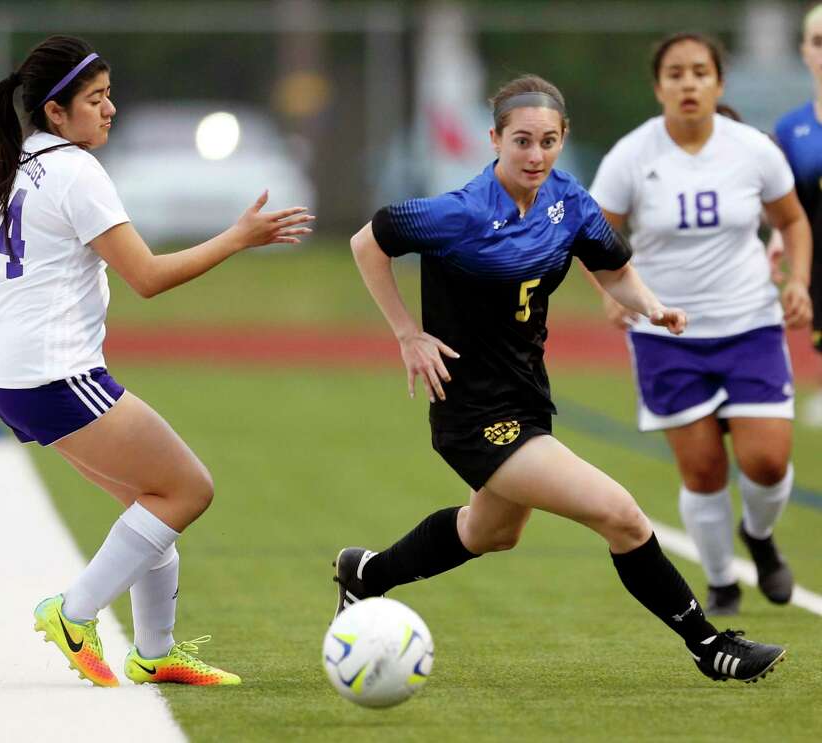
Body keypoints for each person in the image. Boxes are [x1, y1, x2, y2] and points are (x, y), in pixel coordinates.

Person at [333, 73, 786, 684]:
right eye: (521, 141)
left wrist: (652, 306)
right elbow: (369, 242)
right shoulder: (458, 213)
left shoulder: (568, 201)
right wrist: (406, 333)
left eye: (548, 141)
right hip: (473, 413)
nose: (535, 154)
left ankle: (367, 574)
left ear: (562, 138)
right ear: (493, 139)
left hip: (526, 398)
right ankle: (709, 645)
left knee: (489, 531)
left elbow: (615, 269)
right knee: (620, 513)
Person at [0, 35, 313, 687]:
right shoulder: (76, 172)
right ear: (57, 112)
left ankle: (154, 651)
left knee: (150, 504)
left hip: (6, 379)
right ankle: (74, 610)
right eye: (95, 98)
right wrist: (239, 236)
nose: (110, 108)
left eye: (110, 94)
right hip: (56, 377)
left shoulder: (17, 157)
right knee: (187, 488)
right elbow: (146, 276)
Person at [588, 33, 812, 616]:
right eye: (676, 74)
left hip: (750, 325)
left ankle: (759, 539)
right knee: (705, 469)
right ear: (658, 85)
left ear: (719, 82)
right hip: (669, 335)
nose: (689, 83)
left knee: (767, 462)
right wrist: (613, 292)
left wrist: (797, 281)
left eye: (700, 72)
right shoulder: (631, 156)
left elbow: (793, 221)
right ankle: (721, 583)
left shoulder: (751, 149)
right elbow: (593, 236)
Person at [775, 4, 822, 426]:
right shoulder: (792, 129)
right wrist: (777, 244)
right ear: (805, 51)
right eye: (819, 42)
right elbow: (783, 205)